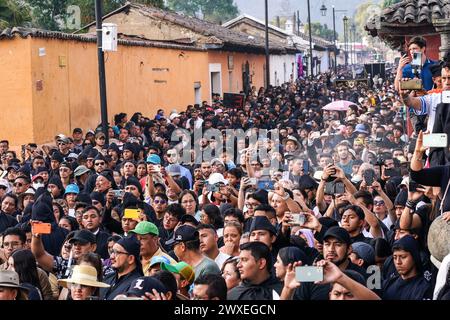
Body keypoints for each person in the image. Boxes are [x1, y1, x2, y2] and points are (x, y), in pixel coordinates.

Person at [382, 235, 433, 300]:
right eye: (395, 257)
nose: (398, 262)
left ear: (414, 257)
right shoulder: (388, 284)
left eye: (403, 257)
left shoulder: (424, 288)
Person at [99, 236, 143, 300]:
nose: (111, 257)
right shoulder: (108, 277)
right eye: (112, 252)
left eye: (117, 253)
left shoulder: (137, 284)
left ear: (130, 259)